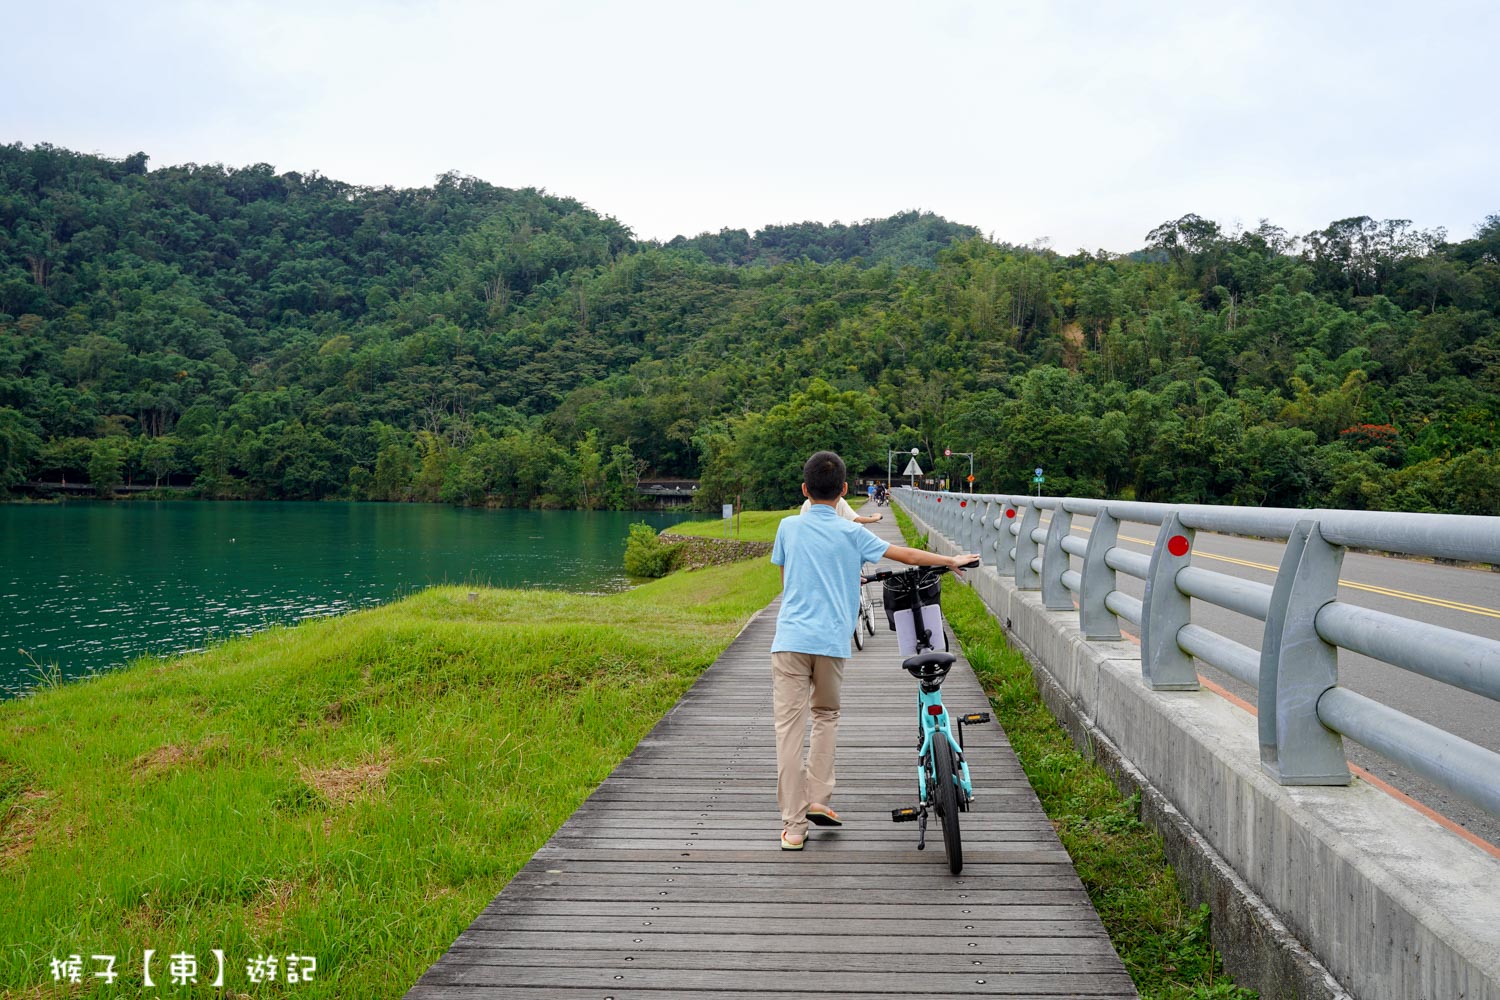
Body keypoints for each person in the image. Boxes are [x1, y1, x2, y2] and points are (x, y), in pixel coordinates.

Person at [769, 450, 978, 850]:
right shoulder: (852, 533)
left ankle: (794, 828)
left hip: (790, 641)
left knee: (788, 732)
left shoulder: (786, 527)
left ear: (804, 490)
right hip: (831, 642)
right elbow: (908, 556)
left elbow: (785, 582)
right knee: (825, 716)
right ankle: (818, 800)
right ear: (845, 490)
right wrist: (951, 559)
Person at [798, 491, 882, 524]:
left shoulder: (807, 503)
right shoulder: (839, 501)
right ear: (844, 488)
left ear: (805, 489)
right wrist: (875, 517)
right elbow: (856, 519)